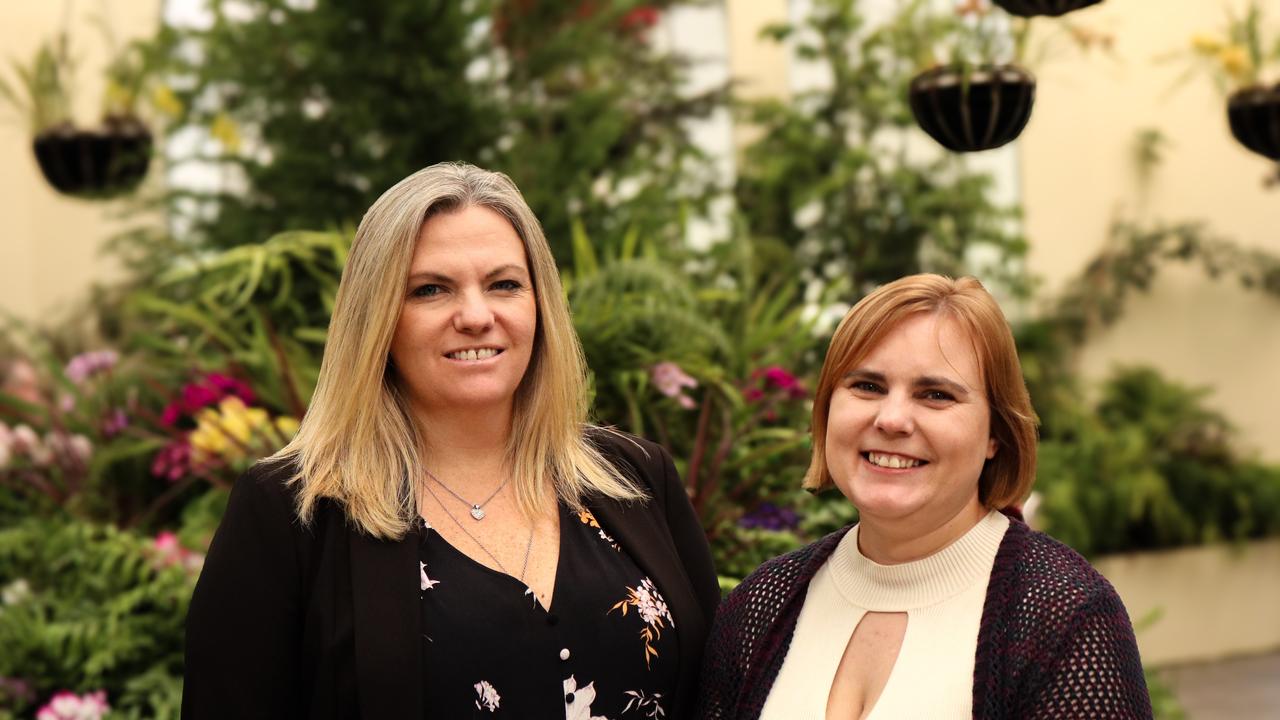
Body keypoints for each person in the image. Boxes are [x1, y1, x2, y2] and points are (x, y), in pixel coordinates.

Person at [182, 162, 719, 719]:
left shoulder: (636, 478)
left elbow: (720, 694)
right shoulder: (293, 514)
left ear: (541, 304)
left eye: (504, 284)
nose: (476, 316)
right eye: (431, 290)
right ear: (377, 320)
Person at [696, 274, 1152, 719]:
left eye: (935, 394)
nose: (892, 419)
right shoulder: (761, 605)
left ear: (996, 433)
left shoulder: (1065, 616)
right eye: (867, 386)